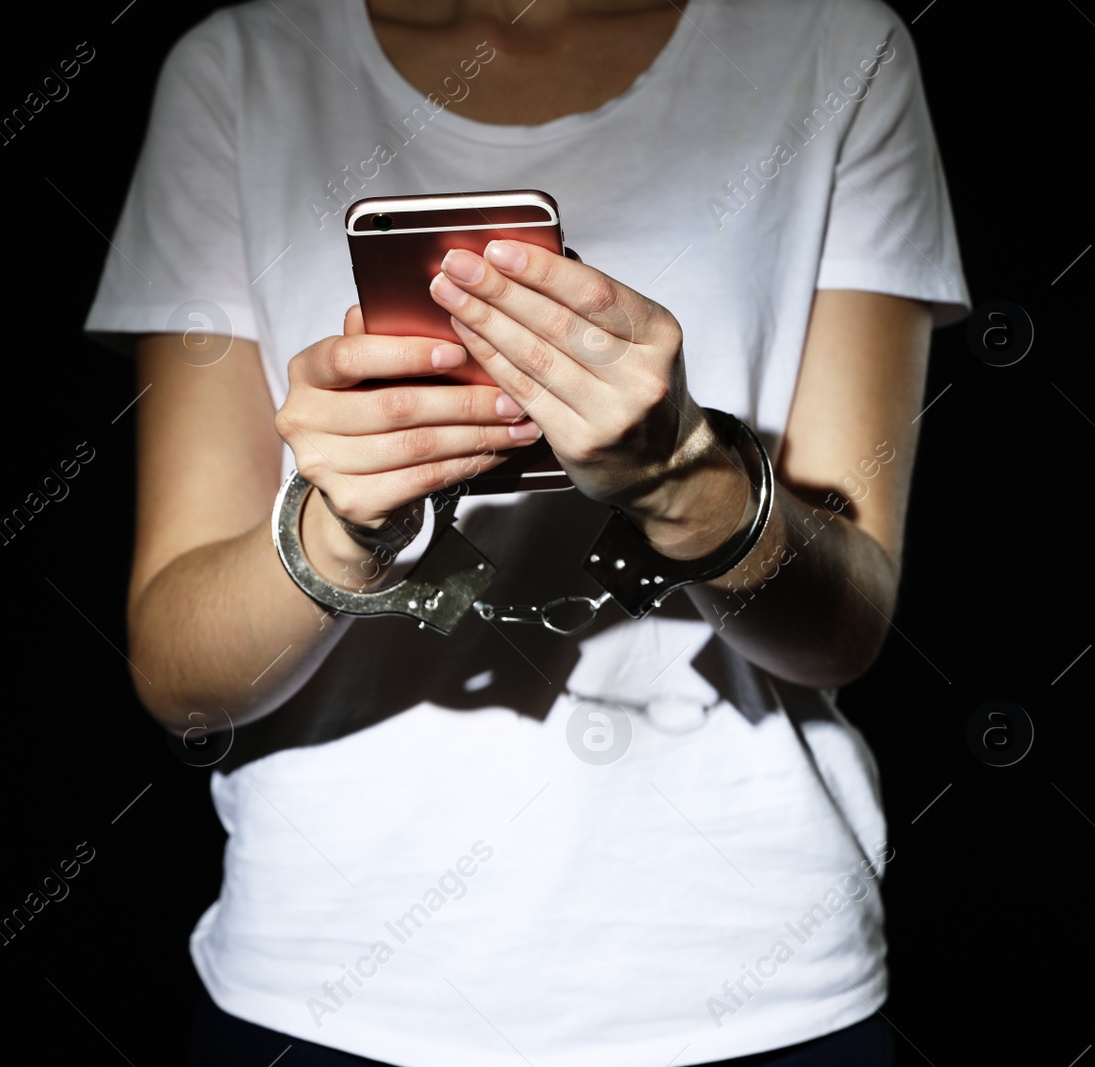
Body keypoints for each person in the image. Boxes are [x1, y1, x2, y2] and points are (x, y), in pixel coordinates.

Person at [85, 0, 968, 1063]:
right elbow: (182, 675)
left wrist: (683, 479)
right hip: (326, 982)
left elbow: (846, 627)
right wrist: (341, 531)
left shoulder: (834, 44)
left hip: (755, 979)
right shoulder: (240, 68)